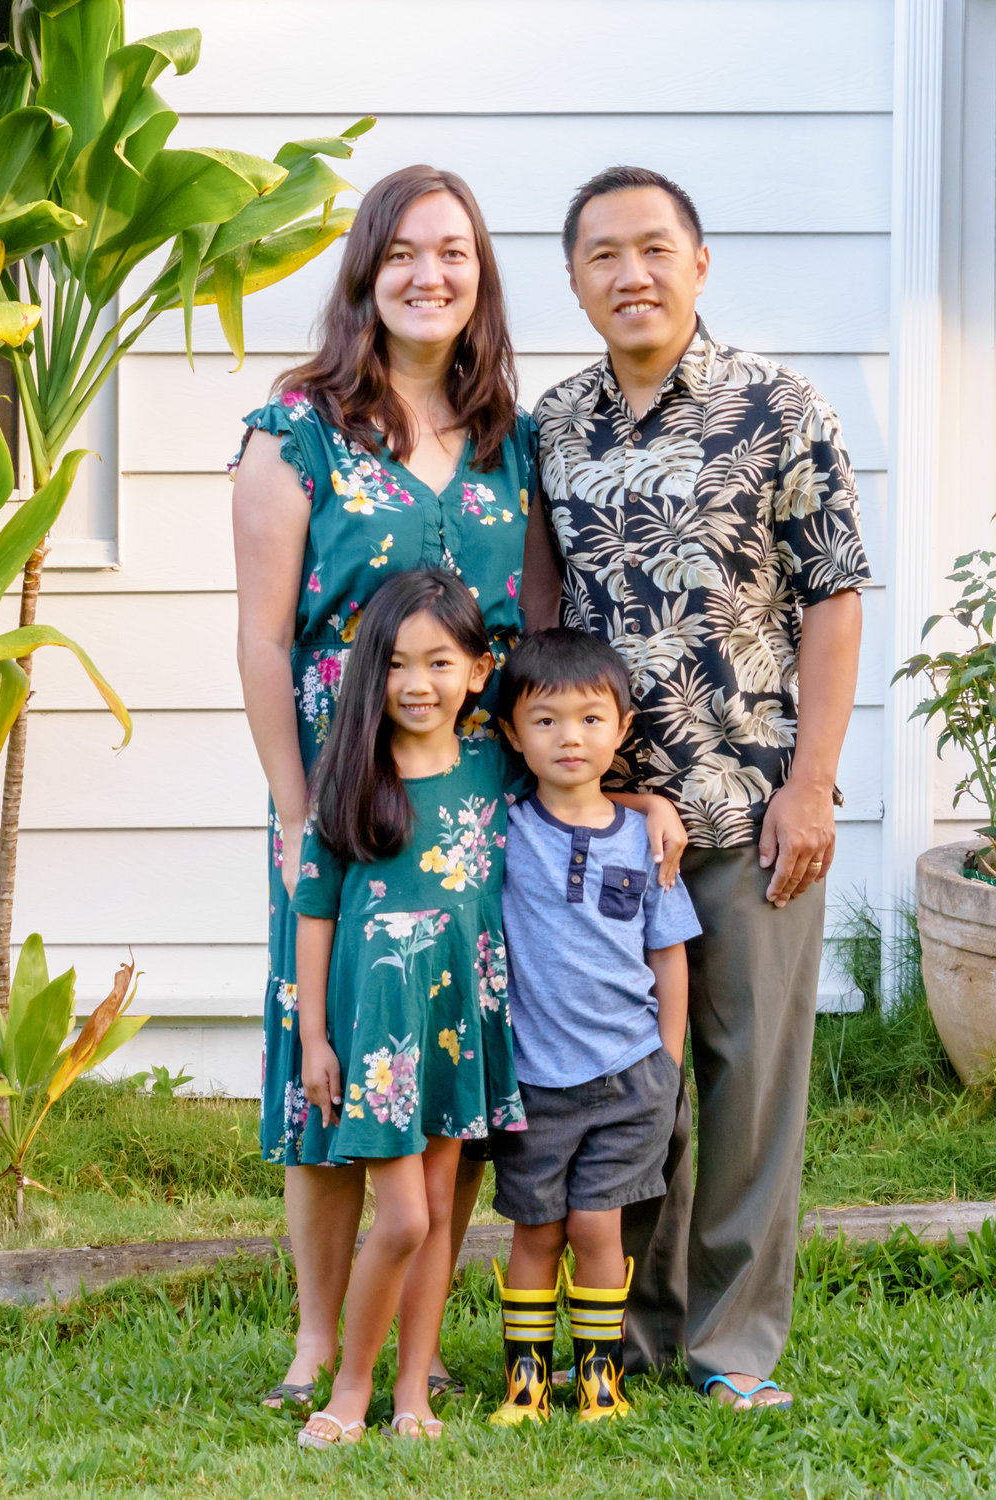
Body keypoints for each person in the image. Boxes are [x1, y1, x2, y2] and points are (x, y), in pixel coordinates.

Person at [523, 166, 872, 1409]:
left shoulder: (781, 406)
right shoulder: (553, 426)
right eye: (603, 255)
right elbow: (543, 611)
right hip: (602, 829)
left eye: (656, 248)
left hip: (750, 810)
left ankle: (730, 1347)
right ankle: (637, 1330)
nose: (633, 274)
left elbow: (834, 600)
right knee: (633, 1080)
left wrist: (815, 785)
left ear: (701, 262)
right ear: (572, 280)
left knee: (748, 1083)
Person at [232, 164, 537, 1409]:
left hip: (477, 800)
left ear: (480, 273)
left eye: (454, 252)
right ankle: (317, 1336)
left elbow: (537, 626)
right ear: (367, 272)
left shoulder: (512, 434)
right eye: (405, 252)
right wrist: (295, 808)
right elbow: (261, 639)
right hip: (341, 792)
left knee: (448, 1051)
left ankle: (418, 1330)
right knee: (332, 1064)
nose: (431, 274)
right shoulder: (296, 425)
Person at [291, 569, 527, 1447]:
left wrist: (649, 806)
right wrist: (314, 1037)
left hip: (458, 1020)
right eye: (395, 664)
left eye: (438, 661)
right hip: (378, 1027)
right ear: (371, 673)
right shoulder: (350, 772)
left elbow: (583, 795)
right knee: (404, 1217)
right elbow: (313, 912)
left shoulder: (495, 769)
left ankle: (411, 1397)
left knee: (436, 1218)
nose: (416, 683)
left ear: (477, 668)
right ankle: (349, 1393)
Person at [487, 629, 701, 1427]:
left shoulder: (648, 844)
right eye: (544, 722)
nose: (568, 737)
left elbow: (669, 955)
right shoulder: (506, 831)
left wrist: (666, 1061)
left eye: (588, 719)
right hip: (534, 1080)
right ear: (513, 734)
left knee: (597, 1224)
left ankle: (600, 1385)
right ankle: (525, 1389)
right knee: (537, 1230)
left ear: (621, 729)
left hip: (628, 1074)